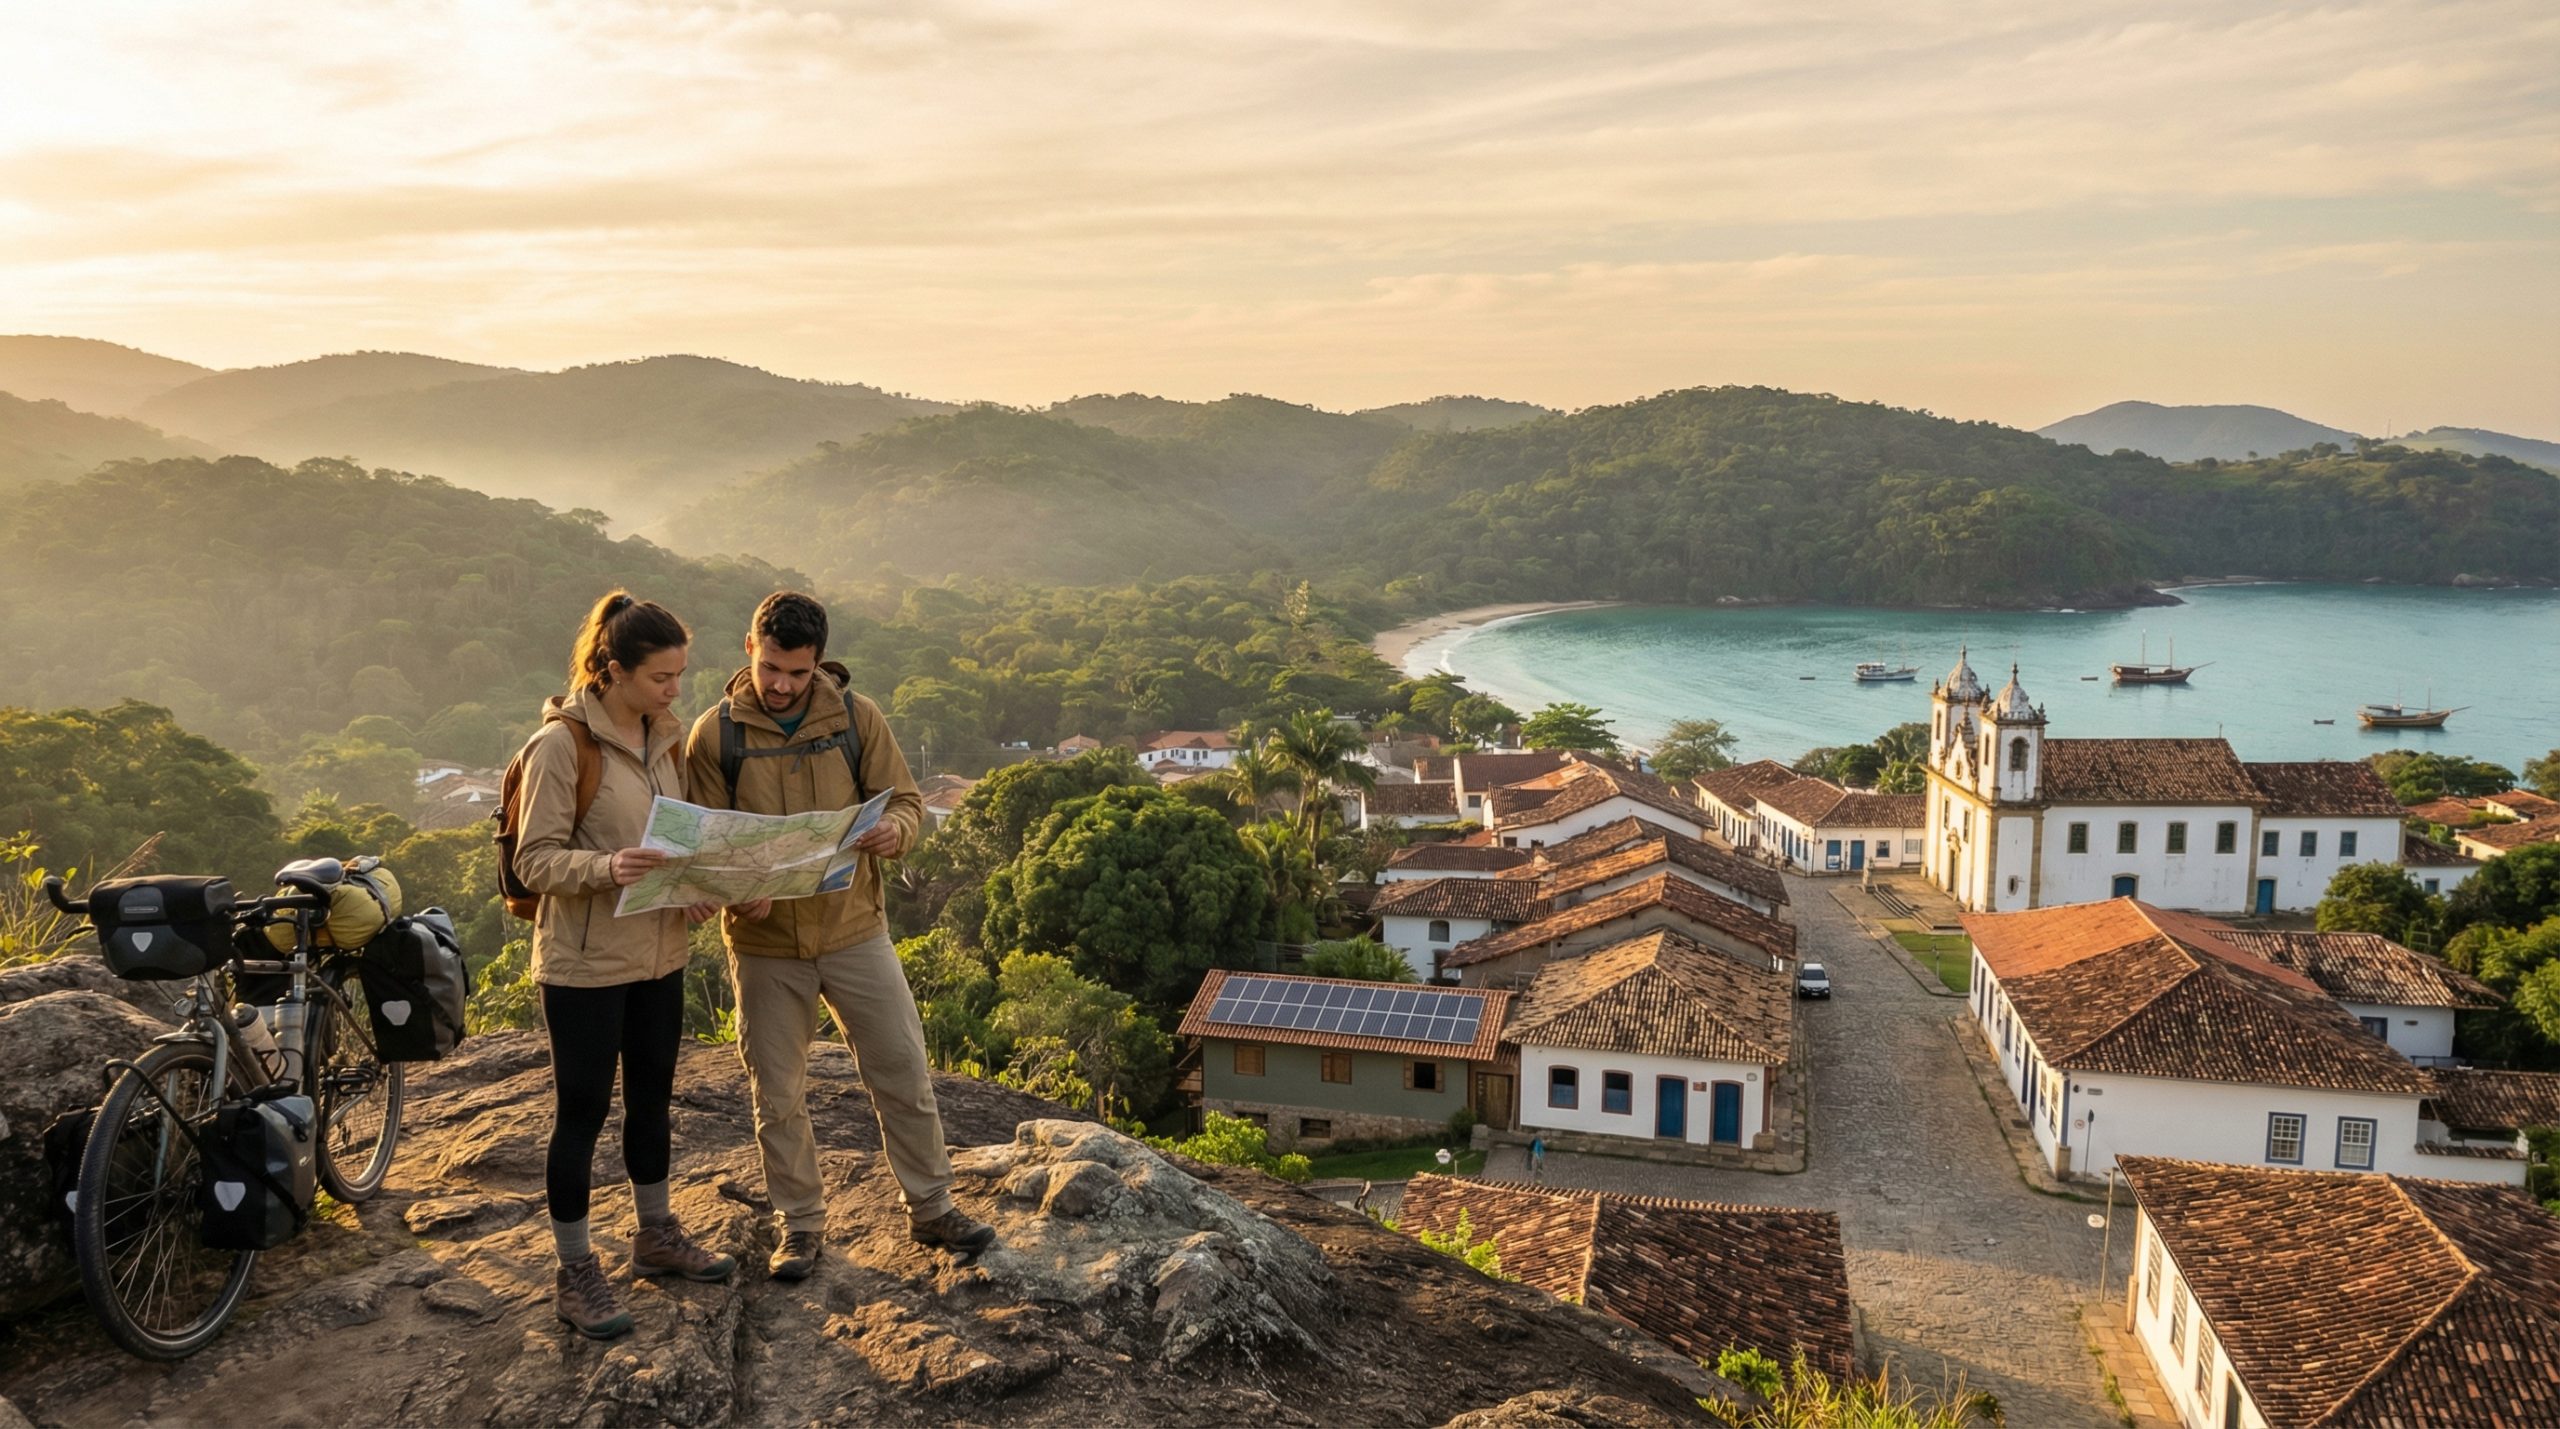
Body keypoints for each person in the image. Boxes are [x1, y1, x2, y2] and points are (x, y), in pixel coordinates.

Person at [685, 591, 994, 1281]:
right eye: (770, 668)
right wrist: (737, 886)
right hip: (764, 944)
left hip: (855, 928)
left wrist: (896, 832)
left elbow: (908, 801)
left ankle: (932, 1206)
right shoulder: (716, 735)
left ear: (818, 661)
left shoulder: (857, 719)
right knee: (778, 1093)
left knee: (902, 1068)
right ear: (748, 648)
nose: (782, 684)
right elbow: (703, 841)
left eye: (796, 672)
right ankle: (799, 1227)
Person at [514, 591, 737, 1340]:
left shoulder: (662, 740)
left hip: (658, 951)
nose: (677, 690)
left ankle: (655, 1233)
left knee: (653, 1099)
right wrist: (610, 866)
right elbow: (535, 859)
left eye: (680, 675)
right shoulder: (561, 747)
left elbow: (674, 840)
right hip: (583, 963)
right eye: (662, 677)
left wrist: (693, 888)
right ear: (613, 670)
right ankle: (575, 1270)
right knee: (581, 1113)